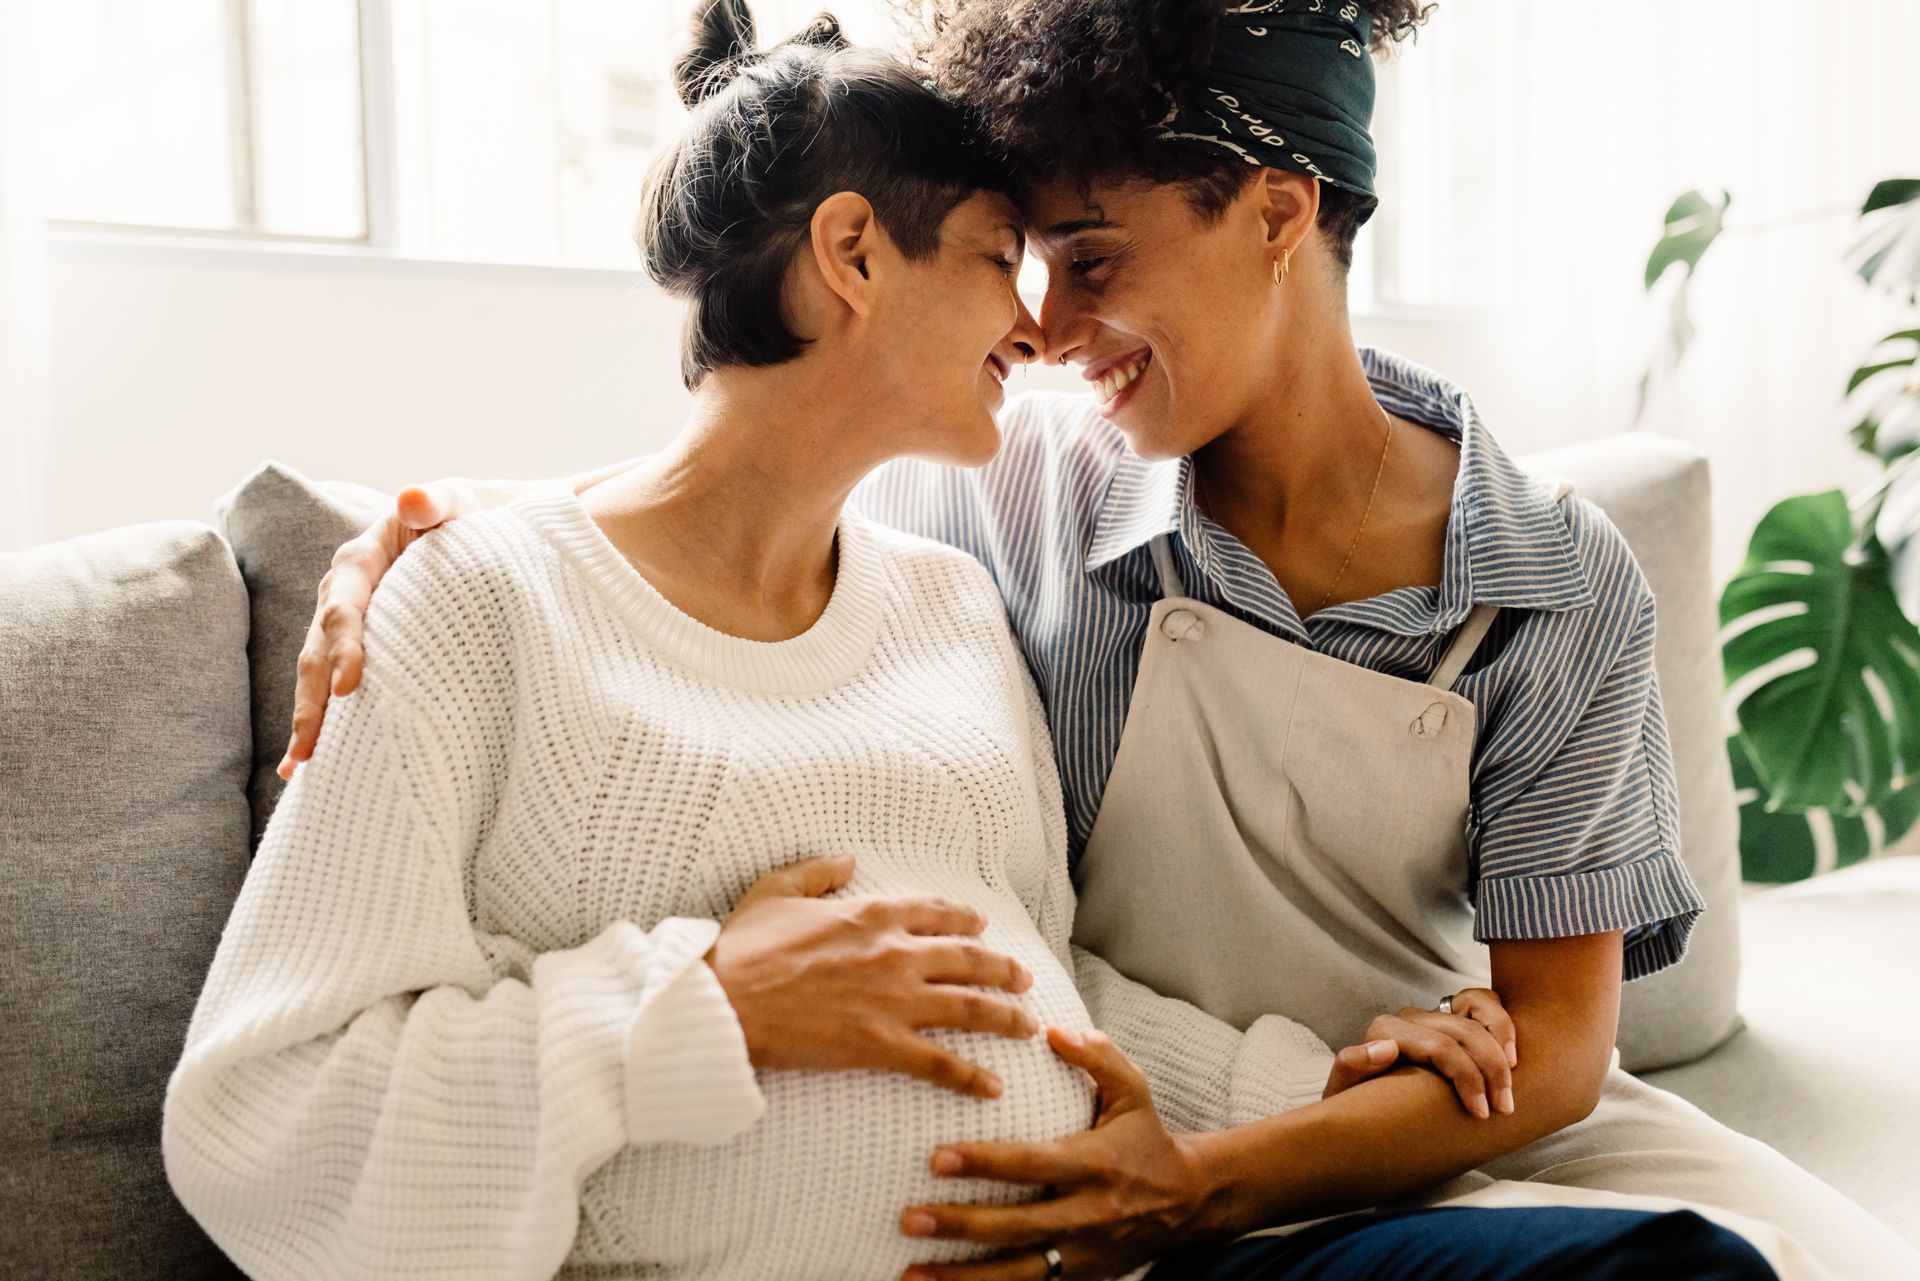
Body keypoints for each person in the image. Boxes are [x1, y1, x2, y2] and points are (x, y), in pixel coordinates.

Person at [257, 2, 1838, 1280]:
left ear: (1280, 212)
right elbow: (740, 477)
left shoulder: (1553, 583)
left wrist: (1218, 1169)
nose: (1050, 328)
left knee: (1776, 1258)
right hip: (1151, 1154)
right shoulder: (1010, 487)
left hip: (1414, 1117)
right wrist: (424, 527)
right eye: (1020, 268)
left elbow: (1550, 1061)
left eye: (1089, 260)